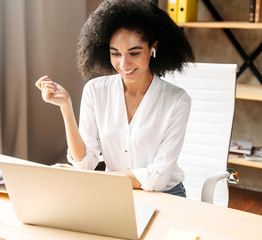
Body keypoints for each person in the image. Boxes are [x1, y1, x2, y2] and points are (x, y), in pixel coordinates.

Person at [35, 0, 194, 197]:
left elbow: (158, 178)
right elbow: (85, 164)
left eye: (134, 53)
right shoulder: (95, 90)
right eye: (115, 53)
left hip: (166, 194)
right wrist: (66, 107)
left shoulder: (177, 100)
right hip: (115, 190)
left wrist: (95, 180)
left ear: (153, 48)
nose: (124, 64)